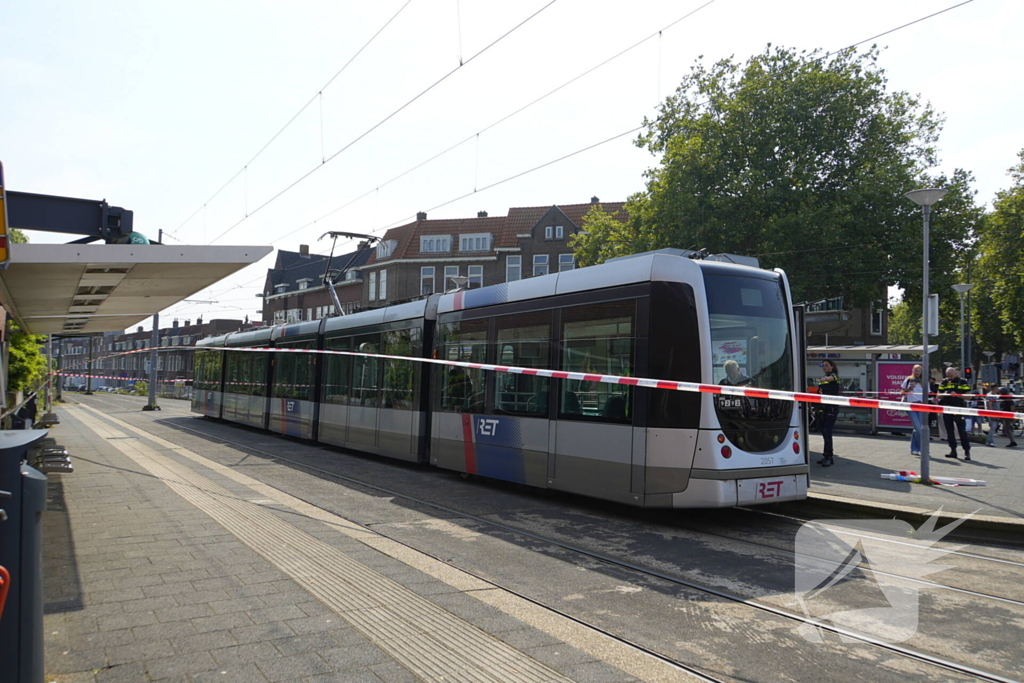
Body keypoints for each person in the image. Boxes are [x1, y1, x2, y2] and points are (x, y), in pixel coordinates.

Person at [938, 367, 972, 460]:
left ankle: (967, 452)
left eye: (952, 376)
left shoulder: (962, 382)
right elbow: (938, 395)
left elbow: (969, 396)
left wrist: (957, 395)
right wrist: (944, 394)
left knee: (962, 431)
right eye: (948, 376)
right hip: (947, 408)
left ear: (956, 373)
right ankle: (953, 450)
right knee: (949, 431)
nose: (950, 378)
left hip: (959, 408)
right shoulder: (944, 382)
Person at [817, 360, 841, 467]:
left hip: (831, 409)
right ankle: (826, 455)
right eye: (823, 365)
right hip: (823, 408)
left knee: (827, 432)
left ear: (832, 366)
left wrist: (825, 379)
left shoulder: (833, 376)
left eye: (826, 365)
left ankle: (829, 456)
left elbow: (833, 378)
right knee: (824, 432)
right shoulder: (824, 377)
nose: (824, 367)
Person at [900, 364, 926, 456]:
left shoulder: (924, 381)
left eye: (919, 370)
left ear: (921, 372)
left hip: (921, 405)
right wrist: (909, 388)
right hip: (911, 406)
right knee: (918, 428)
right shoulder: (908, 380)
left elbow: (928, 394)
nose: (917, 372)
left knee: (917, 428)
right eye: (915, 370)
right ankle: (922, 448)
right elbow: (902, 393)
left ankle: (914, 448)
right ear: (913, 371)